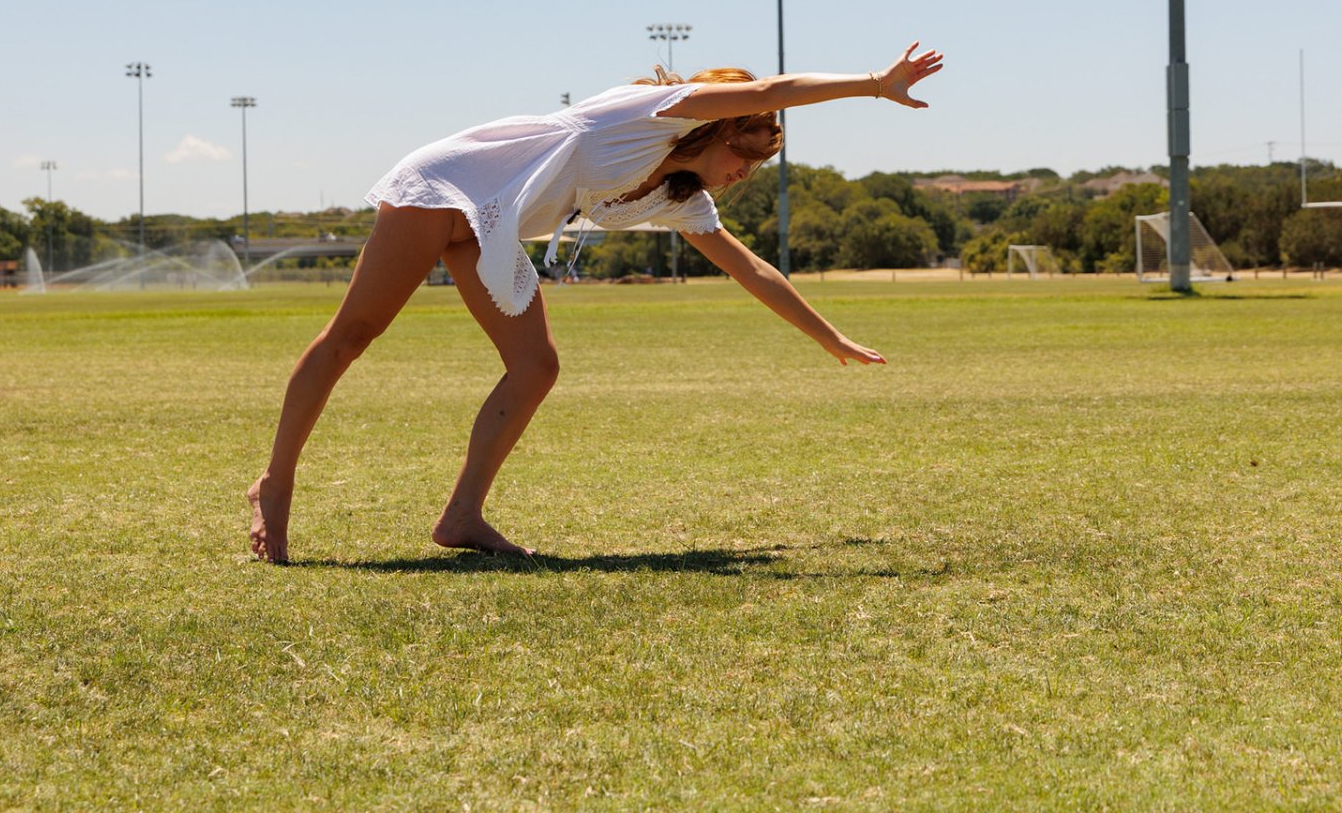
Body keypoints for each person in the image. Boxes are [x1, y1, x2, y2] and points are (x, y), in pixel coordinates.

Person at [247, 42, 945, 561]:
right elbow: (777, 85)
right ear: (723, 123)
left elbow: (749, 266)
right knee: (355, 333)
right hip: (450, 185)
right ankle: (275, 485)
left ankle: (461, 516)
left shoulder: (678, 194)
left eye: (760, 163)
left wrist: (828, 337)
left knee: (536, 366)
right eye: (749, 151)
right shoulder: (655, 111)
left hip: (487, 228)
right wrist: (874, 86)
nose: (747, 172)